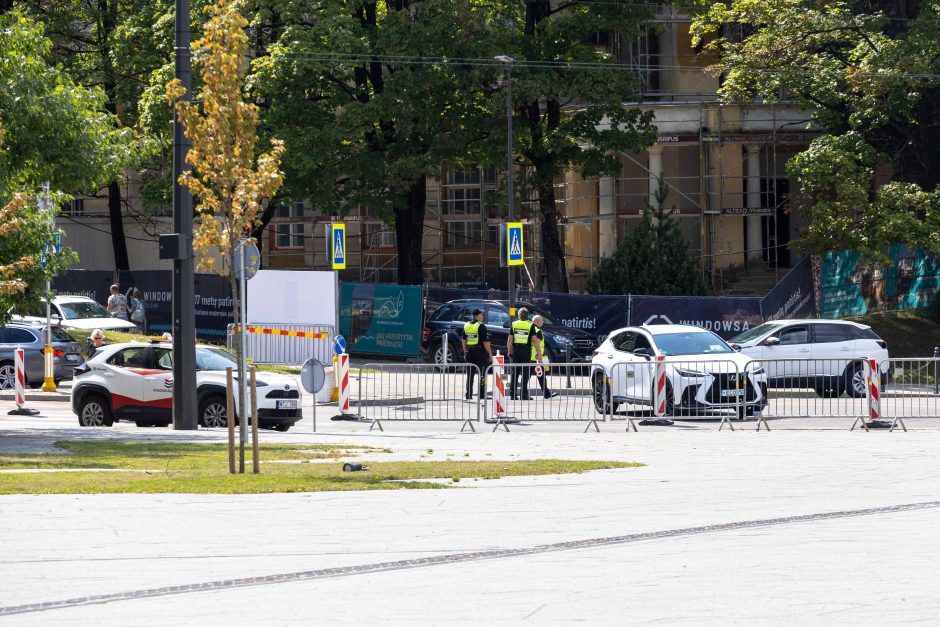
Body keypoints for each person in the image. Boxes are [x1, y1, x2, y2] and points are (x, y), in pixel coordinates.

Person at [462, 308, 492, 400]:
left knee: (470, 375)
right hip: (480, 352)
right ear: (477, 316)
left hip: (469, 352)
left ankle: (468, 394)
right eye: (481, 315)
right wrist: (490, 353)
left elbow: (463, 340)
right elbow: (485, 342)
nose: (482, 316)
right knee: (483, 374)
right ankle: (482, 394)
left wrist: (465, 351)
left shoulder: (466, 325)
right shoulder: (481, 326)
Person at [506, 307, 533, 400]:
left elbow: (510, 339)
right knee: (525, 373)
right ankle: (524, 394)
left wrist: (509, 351)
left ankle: (513, 395)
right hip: (526, 351)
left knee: (514, 373)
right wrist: (539, 353)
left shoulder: (514, 324)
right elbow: (535, 341)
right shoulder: (530, 325)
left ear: (519, 315)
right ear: (527, 316)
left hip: (516, 350)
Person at [530, 315, 558, 399]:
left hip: (531, 357)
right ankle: (546, 394)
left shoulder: (530, 329)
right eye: (542, 320)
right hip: (536, 358)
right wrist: (539, 357)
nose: (542, 322)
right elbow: (536, 344)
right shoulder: (537, 331)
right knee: (541, 376)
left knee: (537, 376)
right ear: (537, 321)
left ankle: (546, 394)